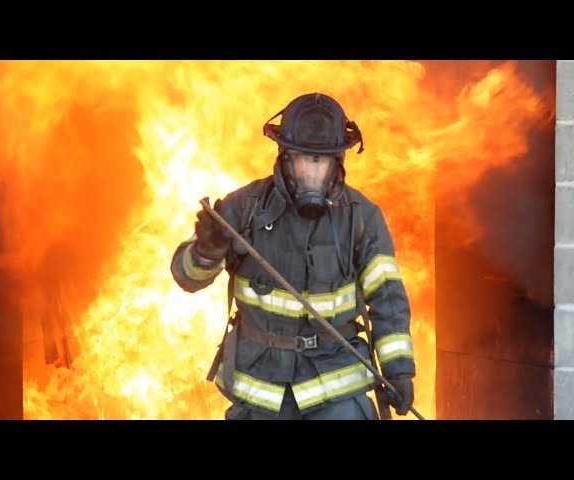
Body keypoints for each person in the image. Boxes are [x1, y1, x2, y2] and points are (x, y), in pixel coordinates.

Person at [170, 92, 416, 420]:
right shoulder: (243, 208)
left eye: (321, 162)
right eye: (303, 160)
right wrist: (205, 252)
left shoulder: (361, 217)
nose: (312, 174)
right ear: (284, 158)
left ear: (338, 162)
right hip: (261, 388)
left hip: (336, 388)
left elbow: (387, 298)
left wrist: (398, 370)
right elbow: (186, 277)